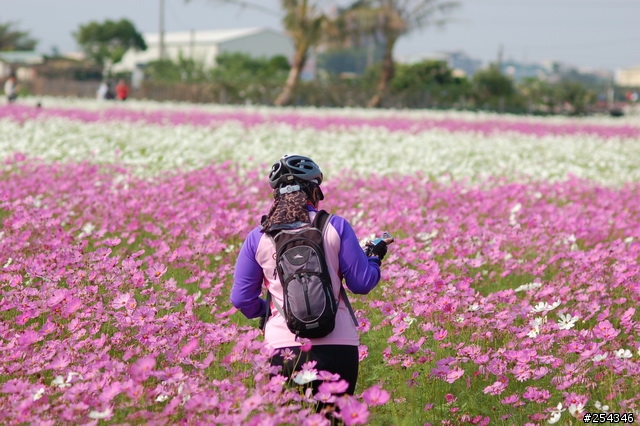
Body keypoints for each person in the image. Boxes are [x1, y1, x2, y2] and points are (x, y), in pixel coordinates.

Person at [231, 154, 391, 397]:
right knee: (334, 415)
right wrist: (374, 257)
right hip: (338, 345)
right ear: (314, 191)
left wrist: (268, 311)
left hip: (283, 347)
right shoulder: (335, 226)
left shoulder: (259, 236)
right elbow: (362, 283)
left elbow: (241, 298)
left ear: (276, 195)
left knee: (290, 415)